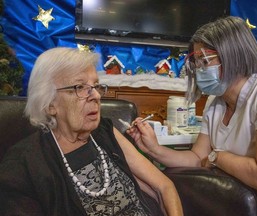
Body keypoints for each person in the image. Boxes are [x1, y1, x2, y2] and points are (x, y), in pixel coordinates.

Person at [127, 16, 257, 216]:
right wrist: (153, 149)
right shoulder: (216, 101)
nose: (199, 69)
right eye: (195, 61)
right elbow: (197, 158)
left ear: (233, 54)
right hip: (233, 201)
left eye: (205, 60)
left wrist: (217, 157)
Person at [0, 47, 183, 216]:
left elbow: (165, 186)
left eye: (95, 86)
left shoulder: (104, 131)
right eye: (79, 87)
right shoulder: (22, 166)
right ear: (49, 105)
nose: (95, 95)